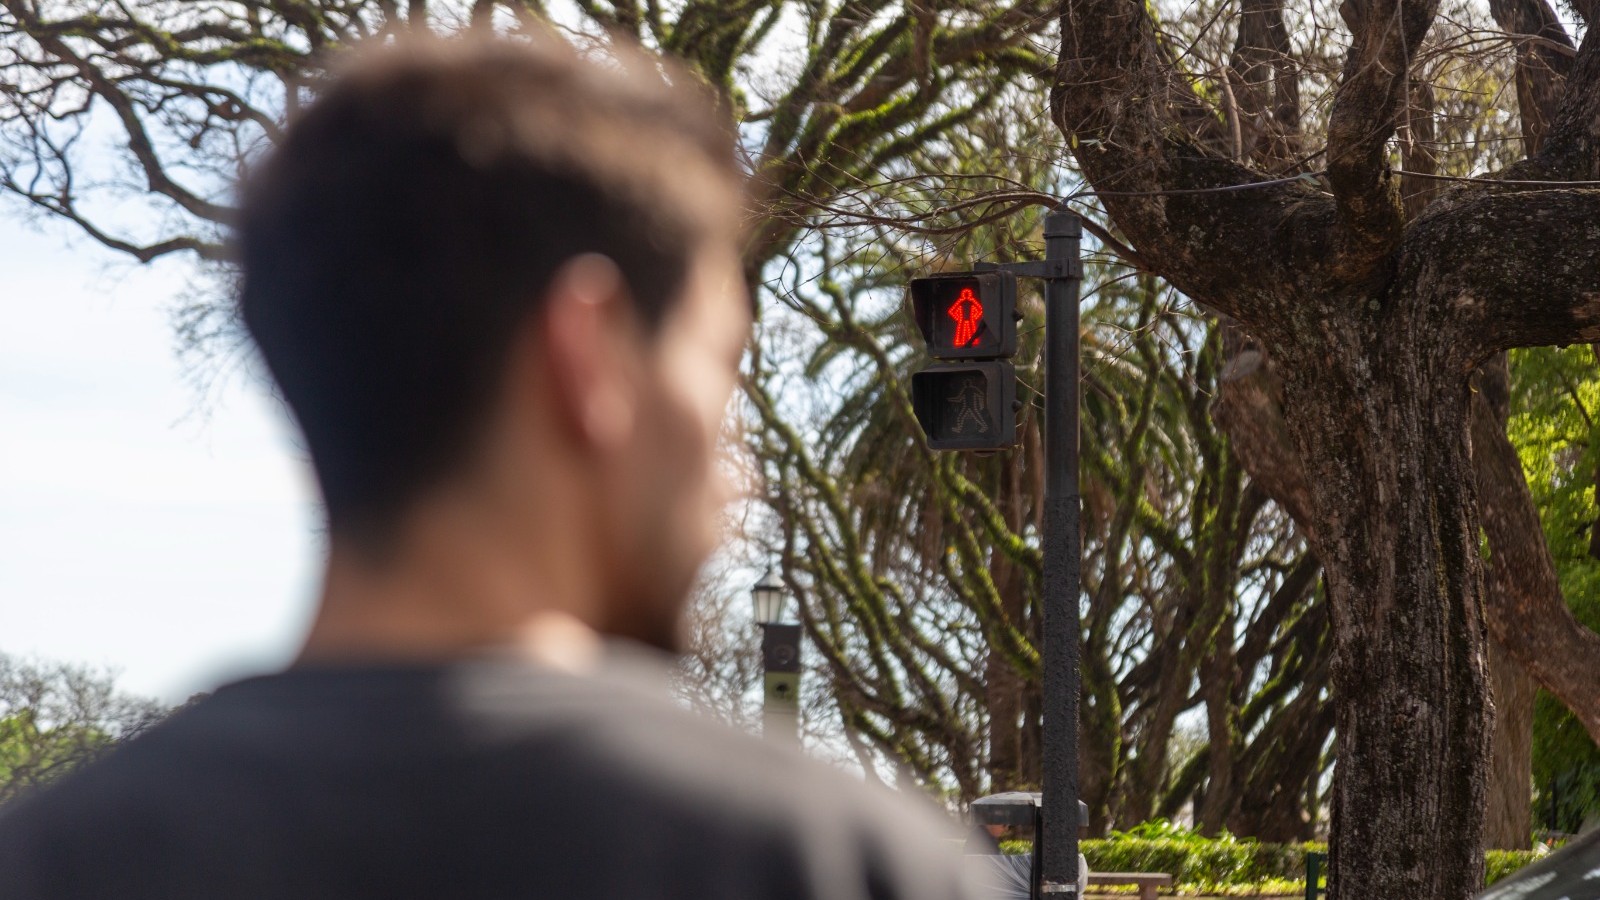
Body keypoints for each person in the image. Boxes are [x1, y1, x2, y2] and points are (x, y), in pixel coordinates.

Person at [0, 33, 977, 900]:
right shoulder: (844, 866)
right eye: (720, 367)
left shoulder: (46, 859)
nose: (738, 475)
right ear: (587, 357)